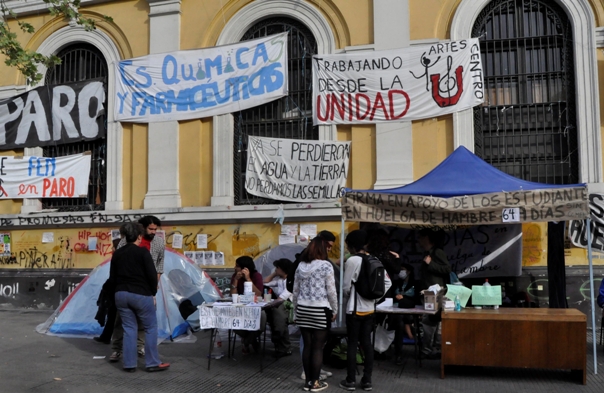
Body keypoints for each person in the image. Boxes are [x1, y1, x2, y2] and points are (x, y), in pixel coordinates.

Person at [107, 222, 169, 373]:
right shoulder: (142, 252)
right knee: (150, 327)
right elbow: (151, 275)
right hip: (141, 294)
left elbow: (112, 278)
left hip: (121, 294)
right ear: (139, 236)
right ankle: (152, 362)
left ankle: (129, 364)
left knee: (128, 328)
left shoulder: (117, 254)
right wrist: (152, 294)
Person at [340, 230, 391, 392]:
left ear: (353, 245)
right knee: (367, 344)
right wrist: (374, 299)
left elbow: (346, 286)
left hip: (354, 310)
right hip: (370, 310)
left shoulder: (352, 261)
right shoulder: (375, 259)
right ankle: (367, 380)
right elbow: (387, 284)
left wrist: (352, 295)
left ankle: (350, 381)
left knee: (352, 344)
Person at [286, 230, 336, 382]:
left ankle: (308, 381)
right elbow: (331, 291)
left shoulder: (301, 266)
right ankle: (315, 383)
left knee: (307, 346)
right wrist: (335, 310)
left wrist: (295, 313)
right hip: (320, 310)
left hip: (302, 309)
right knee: (317, 348)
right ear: (322, 249)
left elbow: (295, 291)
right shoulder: (326, 266)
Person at [417, 228, 450, 360]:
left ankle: (429, 349)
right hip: (429, 292)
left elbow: (447, 269)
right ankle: (432, 348)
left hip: (435, 293)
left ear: (427, 238)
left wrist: (431, 264)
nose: (418, 240)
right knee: (431, 321)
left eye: (420, 237)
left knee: (429, 321)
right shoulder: (427, 252)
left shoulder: (437, 252)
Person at [231, 256, 264, 354]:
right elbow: (233, 295)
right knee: (233, 320)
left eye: (237, 266)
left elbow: (259, 294)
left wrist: (248, 279)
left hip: (255, 306)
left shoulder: (256, 276)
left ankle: (247, 341)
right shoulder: (235, 276)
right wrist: (236, 280)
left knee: (262, 318)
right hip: (241, 306)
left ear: (245, 268)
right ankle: (251, 340)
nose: (234, 268)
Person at [263, 258, 293, 357]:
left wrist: (275, 303)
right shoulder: (280, 280)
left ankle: (280, 341)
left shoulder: (290, 280)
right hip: (280, 304)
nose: (275, 269)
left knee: (278, 316)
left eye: (277, 268)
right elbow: (265, 282)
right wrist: (274, 274)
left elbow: (283, 297)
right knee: (275, 317)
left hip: (289, 306)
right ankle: (283, 347)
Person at [391, 263, 418, 365]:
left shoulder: (415, 284)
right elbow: (391, 296)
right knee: (399, 322)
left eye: (403, 270)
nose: (400, 272)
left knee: (401, 321)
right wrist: (396, 298)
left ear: (409, 272)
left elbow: (416, 300)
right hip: (394, 310)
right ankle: (398, 353)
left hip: (409, 310)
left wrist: (404, 299)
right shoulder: (396, 283)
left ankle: (399, 353)